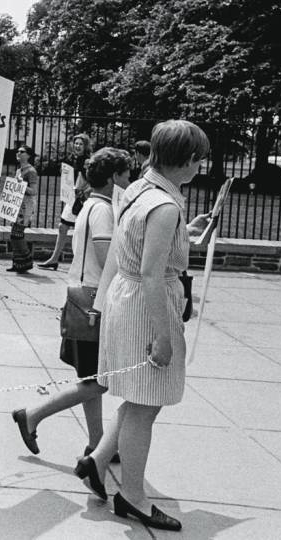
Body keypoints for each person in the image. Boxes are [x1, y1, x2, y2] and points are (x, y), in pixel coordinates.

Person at [79, 120, 210, 532]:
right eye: (198, 160)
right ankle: (133, 496)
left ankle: (98, 462)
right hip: (145, 305)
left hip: (126, 296)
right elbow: (153, 273)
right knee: (146, 404)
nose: (199, 167)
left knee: (137, 397)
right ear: (186, 160)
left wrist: (182, 236)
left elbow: (137, 245)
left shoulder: (139, 189)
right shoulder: (166, 205)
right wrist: (163, 336)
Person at [11, 148, 131, 462]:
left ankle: (96, 443)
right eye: (126, 173)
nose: (129, 179)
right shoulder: (103, 210)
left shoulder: (91, 205)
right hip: (95, 300)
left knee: (90, 378)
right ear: (113, 177)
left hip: (80, 296)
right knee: (99, 382)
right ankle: (33, 414)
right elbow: (108, 260)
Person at [38, 133, 92, 269]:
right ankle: (54, 259)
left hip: (83, 199)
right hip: (73, 198)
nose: (78, 146)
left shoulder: (88, 162)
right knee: (63, 227)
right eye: (76, 143)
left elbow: (93, 181)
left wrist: (83, 192)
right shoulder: (73, 159)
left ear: (86, 146)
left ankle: (82, 263)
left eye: (81, 144)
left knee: (83, 230)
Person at [7, 145, 39, 274]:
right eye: (18, 151)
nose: (18, 153)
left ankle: (26, 261)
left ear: (28, 155)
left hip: (26, 207)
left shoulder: (31, 171)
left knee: (17, 234)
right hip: (18, 206)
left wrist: (21, 185)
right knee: (14, 234)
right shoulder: (19, 170)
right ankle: (17, 263)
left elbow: (34, 191)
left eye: (22, 151)